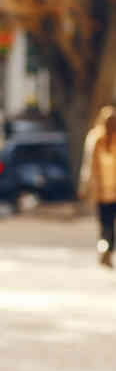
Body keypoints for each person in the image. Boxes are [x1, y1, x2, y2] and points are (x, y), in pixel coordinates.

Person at [79, 105, 116, 268]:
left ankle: (104, 248)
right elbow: (89, 167)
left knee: (104, 224)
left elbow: (87, 167)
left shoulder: (94, 138)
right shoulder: (96, 139)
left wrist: (84, 186)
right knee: (109, 225)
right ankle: (107, 249)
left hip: (103, 191)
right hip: (107, 191)